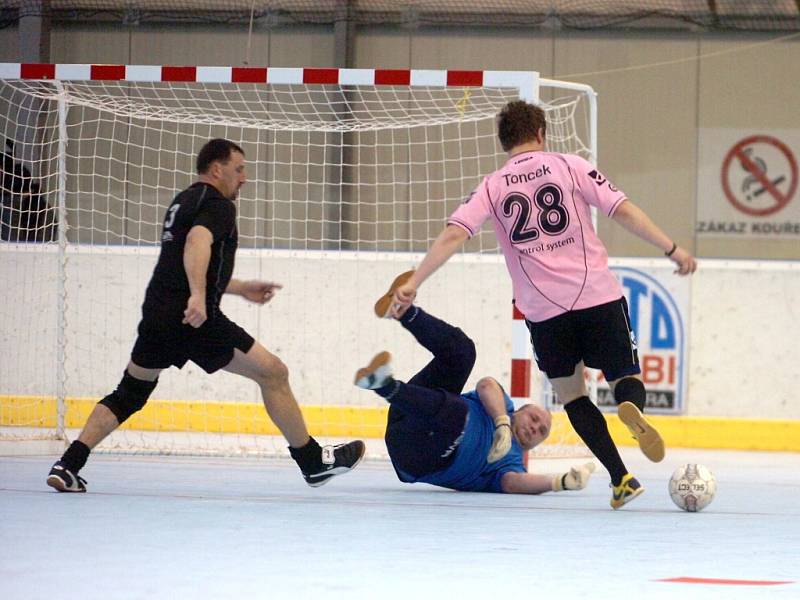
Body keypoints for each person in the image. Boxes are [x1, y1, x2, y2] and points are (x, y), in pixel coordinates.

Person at [387, 101, 698, 509]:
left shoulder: (493, 186)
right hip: (598, 297)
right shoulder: (570, 165)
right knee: (623, 376)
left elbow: (454, 234)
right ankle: (631, 406)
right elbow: (622, 210)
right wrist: (670, 248)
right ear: (541, 132)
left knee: (574, 398)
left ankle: (621, 477)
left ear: (505, 142)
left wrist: (414, 280)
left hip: (545, 314)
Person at [47, 138, 364, 492]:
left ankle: (69, 463)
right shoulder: (218, 204)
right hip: (193, 318)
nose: (244, 177)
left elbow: (186, 262)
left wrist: (239, 287)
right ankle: (312, 462)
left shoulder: (184, 201)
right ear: (217, 169)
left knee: (130, 392)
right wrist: (198, 297)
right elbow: (198, 243)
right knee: (274, 372)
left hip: (158, 313)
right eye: (239, 169)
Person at [354, 272, 597, 495]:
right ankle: (403, 311)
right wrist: (501, 423)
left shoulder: (512, 461)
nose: (535, 428)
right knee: (463, 352)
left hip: (417, 456)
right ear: (518, 411)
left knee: (458, 413)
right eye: (534, 419)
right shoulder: (502, 407)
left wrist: (560, 482)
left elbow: (513, 483)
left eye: (541, 432)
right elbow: (486, 385)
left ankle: (384, 386)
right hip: (410, 413)